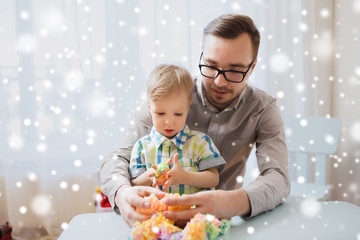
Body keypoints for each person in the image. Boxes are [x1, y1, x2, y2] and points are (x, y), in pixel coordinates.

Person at [100, 13, 290, 226]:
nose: (219, 81)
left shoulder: (262, 108)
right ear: (201, 56)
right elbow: (117, 159)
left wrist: (233, 201)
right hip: (156, 223)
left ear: (252, 67)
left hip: (219, 226)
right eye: (211, 66)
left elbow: (278, 178)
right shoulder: (170, 93)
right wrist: (122, 192)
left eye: (235, 71)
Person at [129, 63, 225, 194]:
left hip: (194, 212)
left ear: (187, 108)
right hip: (157, 213)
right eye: (160, 113)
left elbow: (213, 179)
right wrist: (149, 175)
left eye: (178, 114)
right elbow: (133, 184)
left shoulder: (201, 142)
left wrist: (185, 177)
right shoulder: (141, 147)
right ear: (150, 108)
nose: (169, 122)